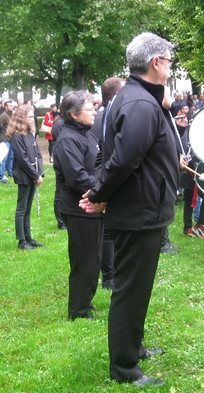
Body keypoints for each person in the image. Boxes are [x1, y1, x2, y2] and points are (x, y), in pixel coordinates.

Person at [80, 32, 179, 387]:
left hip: (144, 210)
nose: (170, 67)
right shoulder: (138, 103)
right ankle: (124, 367)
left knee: (139, 289)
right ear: (156, 63)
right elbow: (122, 161)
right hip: (139, 214)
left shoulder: (140, 98)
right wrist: (97, 193)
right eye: (168, 61)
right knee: (129, 291)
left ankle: (133, 348)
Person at [53, 91, 103, 320]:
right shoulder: (67, 139)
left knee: (94, 258)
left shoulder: (87, 134)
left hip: (93, 206)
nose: (94, 111)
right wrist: (103, 189)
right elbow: (77, 177)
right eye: (89, 108)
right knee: (84, 260)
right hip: (79, 208)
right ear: (74, 114)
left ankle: (86, 301)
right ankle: (78, 310)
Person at [89, 77, 126, 288]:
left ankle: (112, 274)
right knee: (108, 233)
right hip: (104, 176)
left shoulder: (106, 115)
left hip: (103, 176)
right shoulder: (105, 116)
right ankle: (109, 277)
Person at [7, 105, 44, 250]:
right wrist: (34, 175)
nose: (31, 119)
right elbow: (22, 159)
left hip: (33, 175)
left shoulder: (30, 134)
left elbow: (38, 154)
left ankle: (29, 237)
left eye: (32, 116)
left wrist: (39, 172)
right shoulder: (17, 136)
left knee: (28, 208)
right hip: (24, 175)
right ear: (21, 118)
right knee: (22, 208)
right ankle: (21, 240)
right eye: (29, 116)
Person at [0, 100, 15, 178]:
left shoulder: (12, 115)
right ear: (6, 107)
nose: (12, 107)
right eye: (10, 105)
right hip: (5, 139)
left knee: (11, 157)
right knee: (4, 158)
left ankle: (10, 172)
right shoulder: (3, 116)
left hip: (12, 139)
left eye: (12, 105)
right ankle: (2, 174)